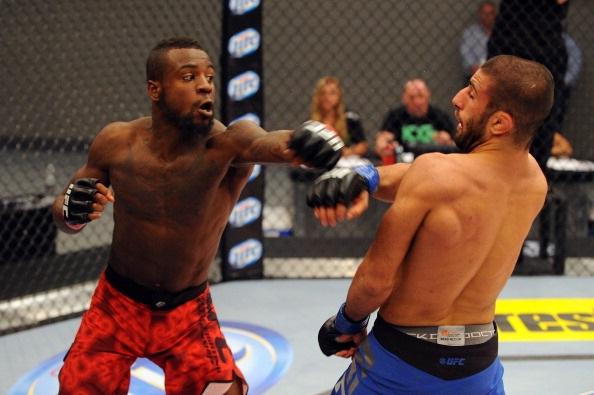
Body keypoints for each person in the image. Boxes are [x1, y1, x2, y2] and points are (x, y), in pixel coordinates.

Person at [51, 37, 344, 395]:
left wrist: (302, 143)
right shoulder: (117, 142)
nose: (205, 84)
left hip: (187, 313)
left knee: (224, 390)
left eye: (208, 76)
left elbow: (269, 143)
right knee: (77, 388)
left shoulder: (226, 144)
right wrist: (72, 211)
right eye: (189, 77)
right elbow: (64, 216)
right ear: (154, 89)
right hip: (117, 305)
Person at [307, 55, 553, 394]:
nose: (456, 98)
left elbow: (376, 281)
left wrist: (346, 323)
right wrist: (368, 176)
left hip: (402, 358)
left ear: (499, 124)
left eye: (472, 92)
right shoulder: (535, 182)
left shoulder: (434, 173)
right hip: (479, 363)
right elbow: (450, 178)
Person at [487, 0, 569, 171]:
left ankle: (531, 178)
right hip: (508, 40)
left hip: (545, 46)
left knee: (541, 120)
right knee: (495, 110)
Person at [375, 79, 455, 164]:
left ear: (428, 96)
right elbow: (384, 138)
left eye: (420, 96)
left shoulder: (440, 116)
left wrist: (446, 142)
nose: (417, 102)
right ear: (404, 98)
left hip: (434, 162)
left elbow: (453, 143)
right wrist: (384, 143)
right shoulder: (395, 116)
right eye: (412, 97)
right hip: (403, 163)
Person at [309, 76, 368, 158]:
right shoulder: (312, 122)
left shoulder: (350, 118)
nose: (327, 97)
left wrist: (348, 152)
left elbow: (363, 146)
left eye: (332, 93)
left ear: (339, 95)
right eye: (323, 93)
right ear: (318, 96)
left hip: (345, 160)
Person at [460, 1, 497, 80]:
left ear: (495, 15)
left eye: (490, 13)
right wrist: (475, 69)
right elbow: (466, 55)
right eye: (484, 13)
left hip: (498, 74)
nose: (487, 16)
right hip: (476, 74)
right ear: (479, 14)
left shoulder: (501, 33)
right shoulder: (470, 33)